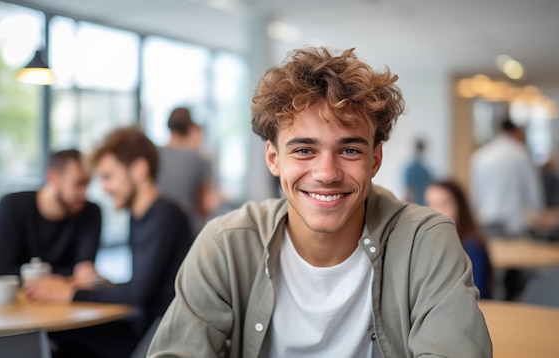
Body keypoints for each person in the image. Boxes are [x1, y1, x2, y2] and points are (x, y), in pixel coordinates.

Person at [148, 47, 491, 357]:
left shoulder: (425, 240)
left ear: (375, 159)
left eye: (350, 150)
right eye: (304, 150)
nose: (326, 173)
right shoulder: (226, 244)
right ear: (273, 158)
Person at [25, 127, 193, 358]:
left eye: (108, 177)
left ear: (139, 169)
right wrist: (105, 284)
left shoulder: (165, 216)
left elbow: (136, 296)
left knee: (61, 340)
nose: (104, 188)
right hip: (146, 326)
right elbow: (145, 287)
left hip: (160, 337)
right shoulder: (141, 217)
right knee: (59, 337)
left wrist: (68, 292)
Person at [0, 149, 101, 286]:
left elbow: (85, 273)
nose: (84, 194)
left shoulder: (90, 213)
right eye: (78, 184)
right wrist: (67, 277)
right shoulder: (13, 206)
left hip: (68, 303)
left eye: (87, 184)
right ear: (52, 177)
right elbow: (3, 269)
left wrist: (32, 277)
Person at [470, 118, 544, 238]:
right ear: (515, 132)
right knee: (516, 254)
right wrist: (538, 212)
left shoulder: (480, 155)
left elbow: (475, 190)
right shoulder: (520, 153)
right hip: (514, 219)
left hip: (487, 216)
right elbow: (532, 187)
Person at [425, 180, 493, 299]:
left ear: (460, 206)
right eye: (430, 204)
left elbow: (476, 295)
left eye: (443, 204)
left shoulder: (472, 247)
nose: (435, 211)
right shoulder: (431, 244)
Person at [158, 107, 218, 235]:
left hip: (158, 229)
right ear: (191, 127)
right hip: (188, 233)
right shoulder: (199, 158)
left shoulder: (154, 154)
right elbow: (204, 206)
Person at [403, 138, 433, 205]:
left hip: (418, 204)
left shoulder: (422, 170)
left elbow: (409, 191)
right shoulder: (422, 171)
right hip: (422, 204)